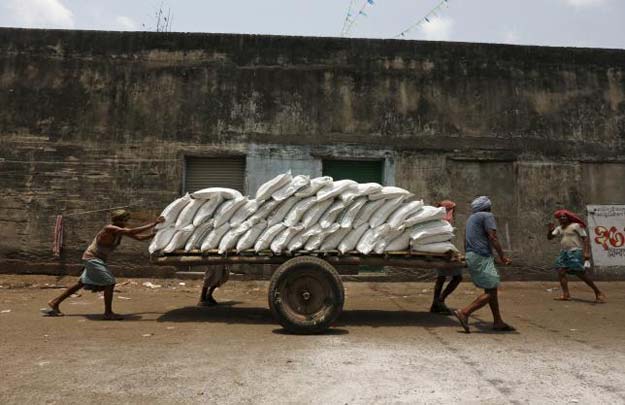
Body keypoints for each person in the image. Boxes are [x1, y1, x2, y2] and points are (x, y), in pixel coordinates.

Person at [43, 209, 164, 320]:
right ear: (119, 220)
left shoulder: (119, 231)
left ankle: (55, 302)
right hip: (92, 258)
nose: (126, 222)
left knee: (81, 283)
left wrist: (156, 233)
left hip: (96, 259)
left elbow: (139, 238)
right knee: (109, 283)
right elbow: (133, 231)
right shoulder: (110, 228)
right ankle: (108, 313)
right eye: (125, 220)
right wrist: (154, 223)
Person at [453, 196, 515, 333]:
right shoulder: (487, 216)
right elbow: (493, 237)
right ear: (488, 207)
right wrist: (502, 256)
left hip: (473, 255)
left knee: (490, 289)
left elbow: (465, 239)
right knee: (492, 291)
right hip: (482, 257)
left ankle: (498, 321)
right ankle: (465, 312)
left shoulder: (471, 218)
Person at [547, 209, 606, 303]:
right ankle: (566, 295)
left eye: (564, 216)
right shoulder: (559, 228)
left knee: (580, 274)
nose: (562, 218)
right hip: (564, 253)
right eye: (560, 217)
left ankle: (597, 292)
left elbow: (585, 239)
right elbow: (550, 238)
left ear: (568, 218)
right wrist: (550, 231)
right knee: (561, 271)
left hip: (575, 252)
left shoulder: (576, 226)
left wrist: (586, 252)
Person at [430, 200, 462, 314]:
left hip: (441, 249)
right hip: (444, 251)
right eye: (453, 209)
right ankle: (440, 300)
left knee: (441, 278)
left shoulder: (437, 218)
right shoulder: (445, 220)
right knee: (457, 277)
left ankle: (435, 303)